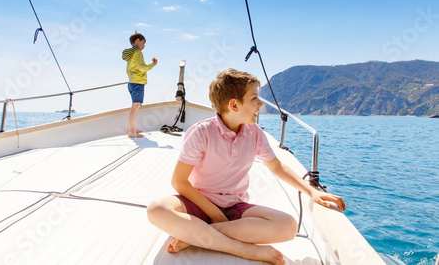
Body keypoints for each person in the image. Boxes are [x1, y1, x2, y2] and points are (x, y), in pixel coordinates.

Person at [146, 68, 345, 264]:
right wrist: (215, 214)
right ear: (234, 105)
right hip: (199, 203)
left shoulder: (255, 133)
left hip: (234, 207)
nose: (259, 104)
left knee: (289, 226)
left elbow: (277, 167)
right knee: (156, 209)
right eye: (254, 99)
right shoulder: (202, 132)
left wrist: (312, 192)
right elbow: (179, 182)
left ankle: (196, 237)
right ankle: (242, 249)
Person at [122, 32, 157, 138]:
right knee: (135, 106)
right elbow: (142, 68)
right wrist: (152, 65)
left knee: (135, 106)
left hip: (132, 82)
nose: (144, 46)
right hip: (137, 82)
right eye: (143, 43)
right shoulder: (137, 52)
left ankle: (131, 128)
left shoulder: (131, 53)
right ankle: (131, 132)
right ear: (137, 40)